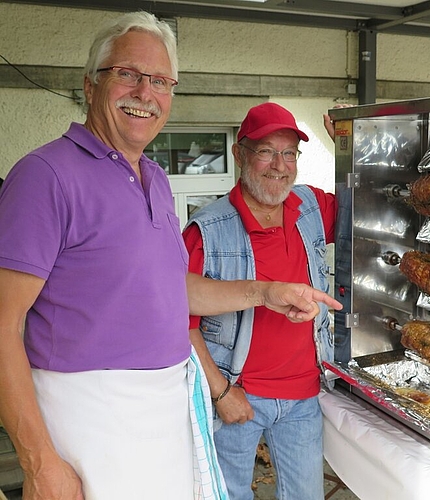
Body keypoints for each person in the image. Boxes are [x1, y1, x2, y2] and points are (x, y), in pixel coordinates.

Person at [0, 13, 341, 500]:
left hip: (164, 412)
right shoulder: (43, 176)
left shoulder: (156, 181)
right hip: (87, 420)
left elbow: (173, 288)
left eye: (161, 81)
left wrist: (266, 292)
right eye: (128, 74)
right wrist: (38, 463)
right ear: (89, 84)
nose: (145, 93)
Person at [183, 102, 337, 500]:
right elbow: (180, 320)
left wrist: (353, 147)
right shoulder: (207, 229)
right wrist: (219, 392)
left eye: (289, 153)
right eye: (267, 151)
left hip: (303, 396)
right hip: (238, 394)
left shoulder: (311, 208)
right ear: (240, 153)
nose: (279, 165)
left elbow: (372, 208)